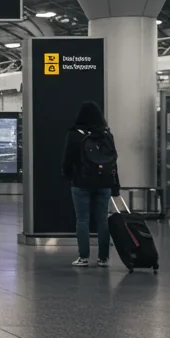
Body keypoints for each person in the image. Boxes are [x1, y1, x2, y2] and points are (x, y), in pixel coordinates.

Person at [62, 101, 120, 267]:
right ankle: (103, 258)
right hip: (104, 182)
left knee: (82, 220)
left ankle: (84, 257)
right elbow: (113, 162)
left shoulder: (74, 134)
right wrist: (115, 184)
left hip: (81, 182)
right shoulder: (107, 135)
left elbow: (67, 159)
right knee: (102, 219)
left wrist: (67, 175)